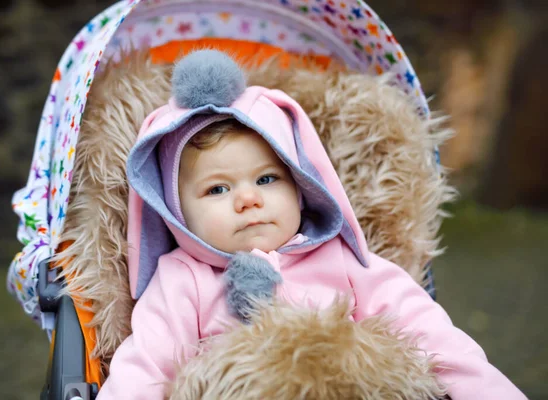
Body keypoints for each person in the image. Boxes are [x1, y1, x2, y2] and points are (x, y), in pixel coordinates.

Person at [97, 50, 526, 399]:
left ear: (301, 186)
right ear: (175, 213)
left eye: (267, 179)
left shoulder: (343, 262)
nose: (249, 199)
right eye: (217, 190)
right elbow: (144, 369)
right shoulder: (180, 282)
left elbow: (431, 335)